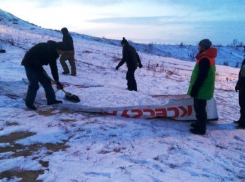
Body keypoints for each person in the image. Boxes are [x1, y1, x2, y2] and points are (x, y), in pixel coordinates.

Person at [21, 40, 67, 110]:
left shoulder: (54, 54)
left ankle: (51, 100)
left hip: (38, 66)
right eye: (62, 51)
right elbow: (32, 54)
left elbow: (53, 67)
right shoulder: (45, 47)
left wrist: (57, 81)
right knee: (34, 85)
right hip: (29, 64)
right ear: (58, 49)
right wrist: (37, 65)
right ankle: (29, 103)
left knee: (47, 82)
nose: (62, 53)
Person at [187, 39, 217, 135]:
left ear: (203, 47)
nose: (198, 47)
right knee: (198, 107)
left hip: (202, 88)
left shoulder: (205, 59)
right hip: (204, 88)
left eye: (199, 45)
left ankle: (201, 129)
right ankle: (198, 124)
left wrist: (195, 88)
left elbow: (202, 76)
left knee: (200, 109)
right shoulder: (207, 58)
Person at [234, 46, 245, 129]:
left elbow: (243, 75)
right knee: (242, 103)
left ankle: (243, 123)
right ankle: (241, 120)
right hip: (242, 84)